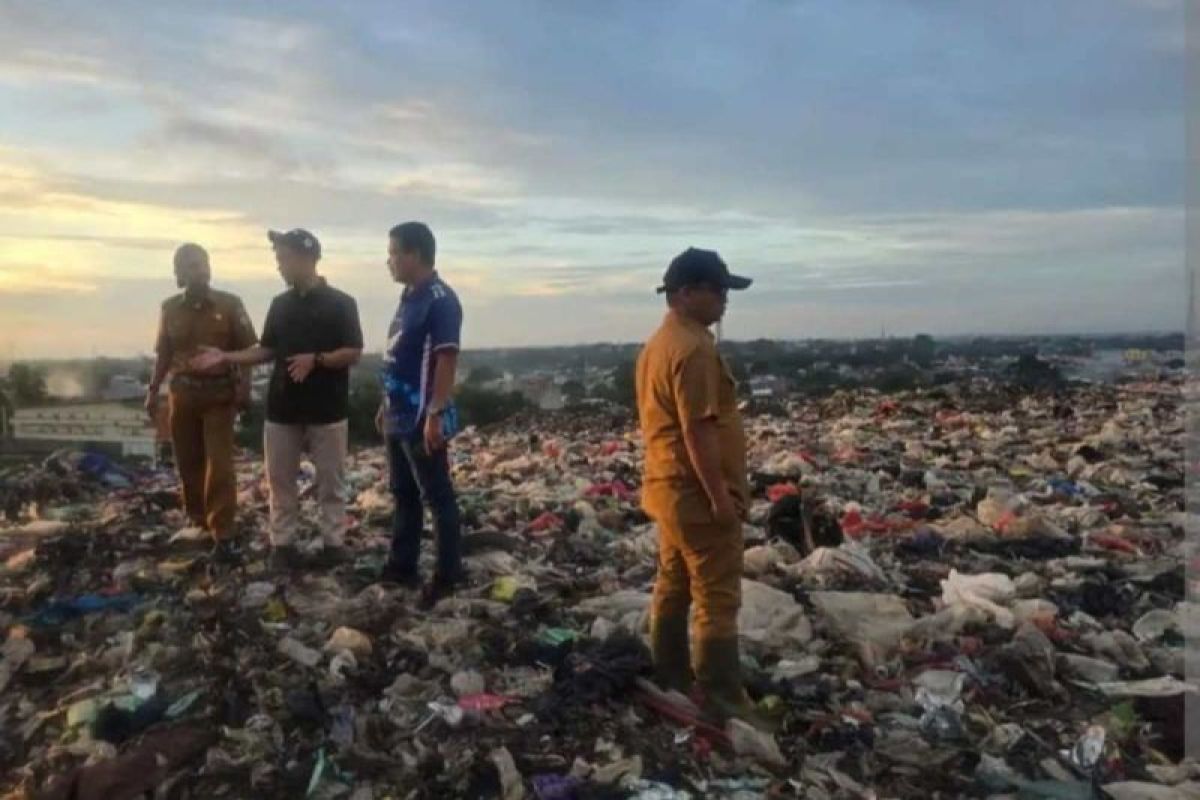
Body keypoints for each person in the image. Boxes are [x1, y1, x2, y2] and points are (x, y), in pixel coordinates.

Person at [634, 247, 772, 731]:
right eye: (718, 291)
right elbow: (697, 430)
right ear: (686, 293)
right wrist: (720, 499)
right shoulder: (693, 349)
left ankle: (670, 676)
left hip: (668, 489)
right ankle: (724, 702)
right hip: (696, 496)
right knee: (716, 596)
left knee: (673, 582)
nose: (724, 301)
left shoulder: (660, 343)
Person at [192, 229, 363, 569]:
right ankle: (283, 545)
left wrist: (316, 359)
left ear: (306, 258)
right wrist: (226, 357)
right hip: (282, 407)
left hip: (327, 409)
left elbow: (354, 351)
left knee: (331, 481)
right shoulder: (280, 305)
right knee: (280, 482)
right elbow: (266, 349)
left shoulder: (342, 303)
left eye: (283, 259)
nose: (279, 267)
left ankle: (333, 543)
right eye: (278, 260)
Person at [146, 243, 257, 562]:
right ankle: (198, 520)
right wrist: (153, 390)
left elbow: (248, 350)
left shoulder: (230, 304)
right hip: (182, 394)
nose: (201, 269)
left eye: (204, 263)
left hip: (219, 395)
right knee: (188, 461)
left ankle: (224, 532)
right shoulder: (169, 308)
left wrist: (245, 387)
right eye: (192, 265)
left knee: (219, 464)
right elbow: (163, 354)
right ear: (179, 273)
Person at [376, 221, 464, 608]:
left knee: (437, 495)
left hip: (419, 416)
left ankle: (448, 575)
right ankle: (402, 566)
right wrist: (384, 402)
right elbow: (401, 357)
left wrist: (435, 412)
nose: (389, 261)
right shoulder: (409, 297)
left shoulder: (440, 299)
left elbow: (446, 358)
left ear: (414, 254)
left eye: (394, 252)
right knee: (403, 494)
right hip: (397, 413)